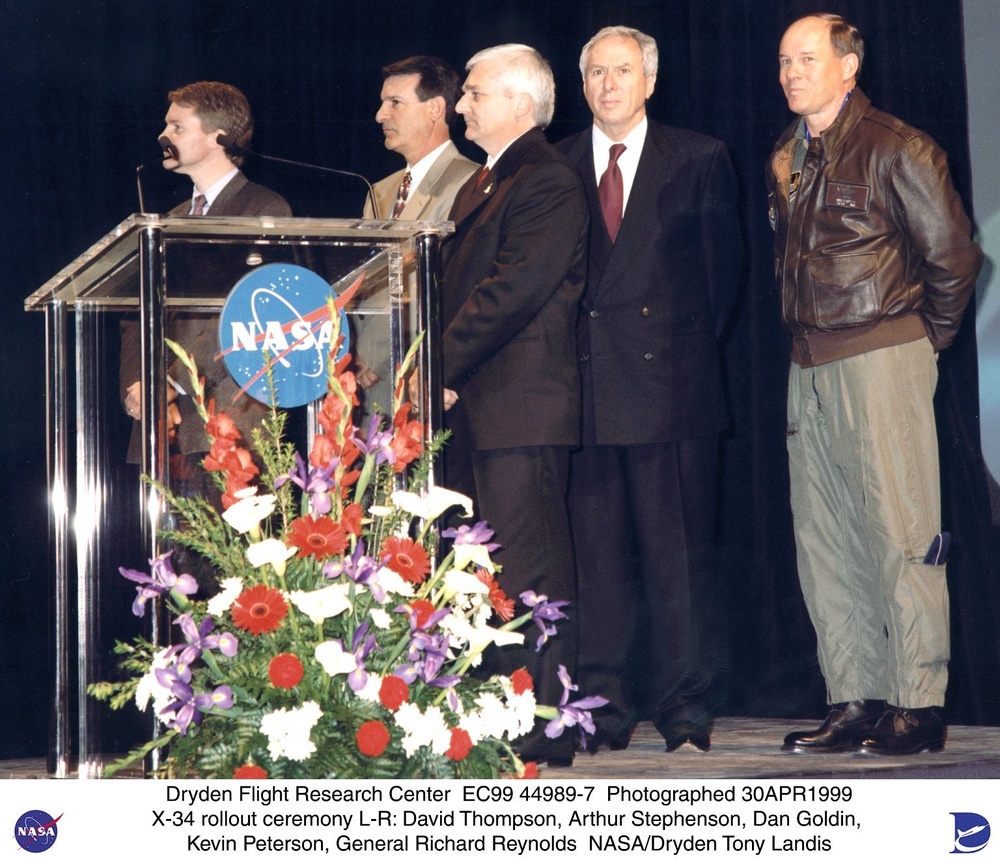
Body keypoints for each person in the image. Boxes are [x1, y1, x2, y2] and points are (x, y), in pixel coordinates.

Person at [768, 14, 983, 755]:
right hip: (808, 364)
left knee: (902, 533)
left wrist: (922, 344)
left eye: (807, 58)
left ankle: (917, 704)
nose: (792, 71)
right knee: (825, 538)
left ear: (848, 66)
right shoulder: (786, 157)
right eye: (784, 60)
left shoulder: (897, 146)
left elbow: (955, 260)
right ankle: (855, 698)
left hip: (881, 357)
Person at [557, 26, 741, 754]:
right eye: (597, 72)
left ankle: (685, 705)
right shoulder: (556, 163)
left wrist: (675, 359)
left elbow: (721, 283)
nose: (608, 84)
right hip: (587, 392)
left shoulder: (698, 158)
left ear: (650, 81)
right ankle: (603, 701)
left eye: (623, 70)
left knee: (678, 561)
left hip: (670, 390)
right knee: (596, 558)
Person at [439, 44, 589, 766]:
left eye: (472, 93)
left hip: (521, 406)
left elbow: (510, 293)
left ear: (519, 104)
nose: (460, 105)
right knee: (486, 574)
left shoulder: (546, 180)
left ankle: (541, 720)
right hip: (482, 404)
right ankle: (499, 711)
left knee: (529, 570)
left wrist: (439, 363)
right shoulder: (487, 182)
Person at [121, 81, 292, 464]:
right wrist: (139, 385)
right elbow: (137, 314)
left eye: (177, 127)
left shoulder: (263, 208)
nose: (163, 135)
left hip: (230, 414)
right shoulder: (169, 220)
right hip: (158, 421)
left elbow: (251, 312)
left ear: (219, 138)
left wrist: (169, 381)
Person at [356, 56, 478, 410]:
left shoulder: (468, 184)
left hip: (422, 374)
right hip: (367, 381)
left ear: (435, 109)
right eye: (382, 103)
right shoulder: (378, 190)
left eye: (395, 103)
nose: (381, 115)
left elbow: (443, 284)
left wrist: (375, 356)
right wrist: (354, 353)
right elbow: (366, 285)